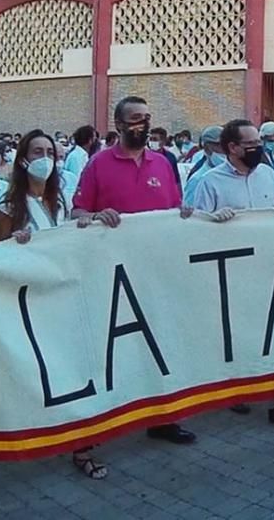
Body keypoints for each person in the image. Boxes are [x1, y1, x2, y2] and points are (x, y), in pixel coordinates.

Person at [72, 96, 197, 446]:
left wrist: (185, 215)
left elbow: (175, 209)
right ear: (119, 124)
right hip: (113, 277)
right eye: (135, 119)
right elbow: (77, 213)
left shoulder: (163, 163)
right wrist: (95, 217)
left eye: (147, 118)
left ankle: (163, 418)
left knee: (161, 345)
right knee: (110, 348)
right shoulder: (98, 165)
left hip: (158, 274)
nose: (143, 125)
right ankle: (99, 421)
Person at [0, 130, 109, 478]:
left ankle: (82, 445)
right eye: (37, 151)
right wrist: (14, 244)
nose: (45, 157)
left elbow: (74, 241)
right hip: (32, 305)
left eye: (50, 152)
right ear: (23, 159)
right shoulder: (8, 207)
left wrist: (90, 223)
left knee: (79, 372)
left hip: (67, 298)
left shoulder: (62, 201)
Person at [188, 119, 274, 422]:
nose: (258, 149)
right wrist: (213, 219)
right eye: (251, 145)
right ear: (232, 148)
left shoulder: (267, 174)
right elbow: (195, 227)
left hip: (270, 266)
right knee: (239, 335)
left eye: (259, 143)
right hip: (233, 272)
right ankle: (236, 390)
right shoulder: (210, 182)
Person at [181, 126, 225, 201]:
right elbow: (190, 210)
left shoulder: (233, 174)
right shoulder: (198, 180)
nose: (225, 150)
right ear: (207, 148)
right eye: (219, 146)